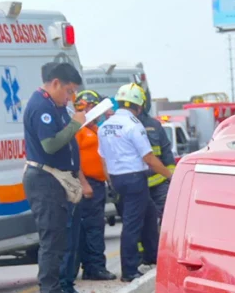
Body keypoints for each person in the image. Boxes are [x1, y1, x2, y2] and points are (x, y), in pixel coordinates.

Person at [22, 62, 85, 293]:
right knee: (51, 241)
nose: (69, 97)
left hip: (55, 180)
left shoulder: (55, 106)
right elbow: (49, 145)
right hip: (44, 180)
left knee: (58, 240)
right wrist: (75, 125)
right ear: (55, 83)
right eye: (69, 91)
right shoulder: (41, 107)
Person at [98, 84, 173, 281]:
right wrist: (170, 176)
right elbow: (148, 158)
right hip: (134, 178)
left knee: (149, 214)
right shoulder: (134, 125)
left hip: (117, 178)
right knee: (132, 224)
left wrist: (111, 181)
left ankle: (151, 255)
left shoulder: (105, 126)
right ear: (139, 106)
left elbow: (103, 158)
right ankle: (129, 270)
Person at [69, 90, 116, 282]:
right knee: (92, 227)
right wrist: (84, 183)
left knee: (94, 226)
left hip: (97, 184)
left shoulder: (93, 128)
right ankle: (95, 267)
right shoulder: (78, 130)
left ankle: (92, 266)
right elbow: (74, 160)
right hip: (87, 185)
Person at [136, 87, 176, 221]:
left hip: (159, 185)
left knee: (165, 219)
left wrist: (171, 179)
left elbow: (167, 154)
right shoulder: (125, 126)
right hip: (136, 186)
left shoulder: (154, 125)